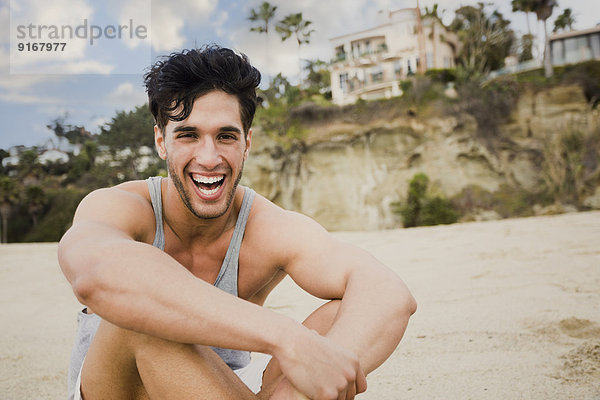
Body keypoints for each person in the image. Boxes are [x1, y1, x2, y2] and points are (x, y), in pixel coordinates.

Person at [58, 45, 416, 400]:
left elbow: (387, 292)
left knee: (342, 317)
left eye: (225, 136)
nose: (209, 158)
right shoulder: (121, 206)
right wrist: (287, 337)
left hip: (219, 389)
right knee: (140, 321)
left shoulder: (267, 227)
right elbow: (95, 274)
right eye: (188, 135)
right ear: (161, 142)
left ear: (246, 143)